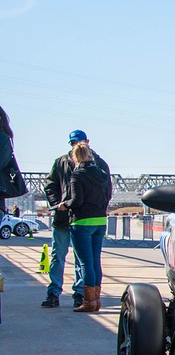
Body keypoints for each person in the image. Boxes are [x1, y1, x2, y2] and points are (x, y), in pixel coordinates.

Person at [43, 130, 109, 309]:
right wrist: (57, 203)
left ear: (87, 142)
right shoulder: (62, 163)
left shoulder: (99, 164)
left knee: (84, 261)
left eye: (78, 143)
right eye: (72, 143)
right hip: (66, 219)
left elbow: (105, 192)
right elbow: (50, 185)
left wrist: (67, 205)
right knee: (60, 256)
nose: (75, 146)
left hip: (79, 219)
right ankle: (54, 293)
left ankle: (81, 295)